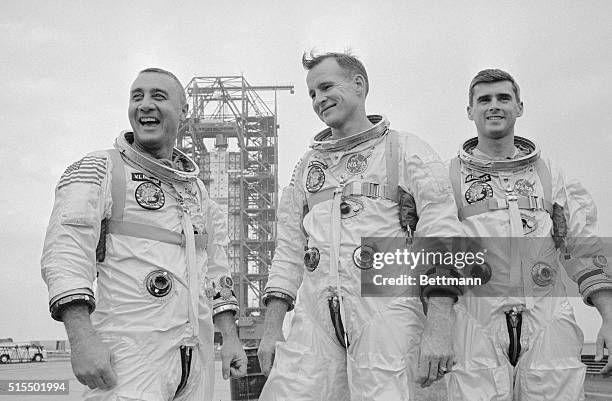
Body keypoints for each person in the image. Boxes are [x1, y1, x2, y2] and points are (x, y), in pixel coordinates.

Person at [256, 51, 464, 401]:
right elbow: (289, 248)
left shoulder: (404, 150)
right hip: (316, 315)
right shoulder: (307, 167)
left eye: (326, 87)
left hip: (386, 304)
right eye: (311, 94)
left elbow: (442, 233)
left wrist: (440, 324)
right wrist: (272, 325)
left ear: (359, 84)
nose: (319, 99)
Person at [41, 68, 247, 401]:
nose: (145, 105)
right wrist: (82, 339)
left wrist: (230, 335)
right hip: (129, 357)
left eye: (158, 96)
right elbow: (66, 252)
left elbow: (216, 268)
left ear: (183, 111)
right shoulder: (100, 169)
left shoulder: (197, 192)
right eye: (137, 97)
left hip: (195, 359)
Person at [446, 68, 612, 400]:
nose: (494, 106)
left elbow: (583, 247)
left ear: (520, 106)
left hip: (547, 318)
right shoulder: (448, 177)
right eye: (484, 99)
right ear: (470, 111)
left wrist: (608, 317)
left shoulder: (549, 174)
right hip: (474, 320)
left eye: (503, 98)